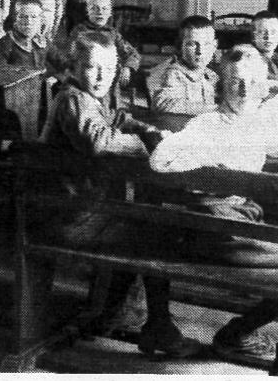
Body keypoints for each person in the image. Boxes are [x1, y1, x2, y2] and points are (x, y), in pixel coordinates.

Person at [150, 48, 278, 375]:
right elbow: (161, 159)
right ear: (222, 86)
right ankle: (276, 350)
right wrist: (207, 168)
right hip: (213, 229)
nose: (245, 89)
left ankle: (239, 334)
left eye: (252, 81)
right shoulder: (206, 123)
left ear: (263, 85)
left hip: (241, 223)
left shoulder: (259, 123)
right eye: (235, 81)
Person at [37, 30, 201, 358]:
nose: (101, 76)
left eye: (109, 68)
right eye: (91, 67)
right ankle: (157, 326)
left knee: (145, 222)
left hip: (85, 208)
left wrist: (148, 130)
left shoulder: (94, 95)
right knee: (152, 233)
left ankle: (111, 312)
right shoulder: (72, 98)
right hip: (65, 214)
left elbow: (119, 119)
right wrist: (145, 145)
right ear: (74, 67)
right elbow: (99, 140)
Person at [146, 15, 218, 115]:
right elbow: (162, 104)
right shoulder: (175, 74)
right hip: (181, 123)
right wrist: (212, 108)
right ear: (180, 47)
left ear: (214, 46)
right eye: (192, 44)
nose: (200, 51)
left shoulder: (211, 76)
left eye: (207, 44)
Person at [69, 0, 140, 89]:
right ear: (87, 11)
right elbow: (70, 58)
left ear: (110, 12)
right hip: (85, 83)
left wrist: (127, 68)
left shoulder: (113, 34)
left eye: (104, 9)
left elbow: (132, 53)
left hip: (108, 84)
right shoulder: (78, 32)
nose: (100, 12)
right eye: (94, 8)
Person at [0, 0, 50, 69]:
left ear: (40, 20)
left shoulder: (44, 42)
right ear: (16, 19)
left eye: (34, 17)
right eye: (23, 17)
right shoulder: (7, 42)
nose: (28, 22)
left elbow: (60, 65)